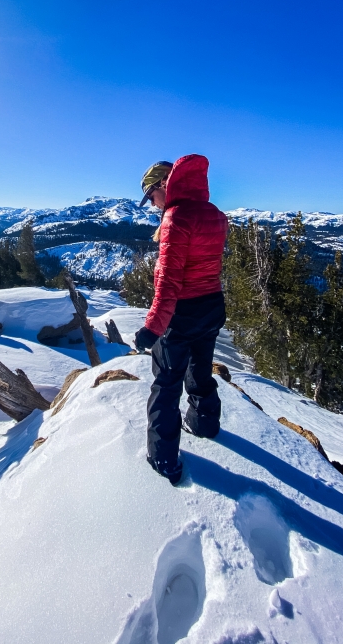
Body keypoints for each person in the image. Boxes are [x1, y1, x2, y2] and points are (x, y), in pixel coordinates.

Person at [134, 155, 228, 485]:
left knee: (166, 383)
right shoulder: (215, 214)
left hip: (182, 313)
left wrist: (151, 328)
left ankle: (163, 458)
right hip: (212, 306)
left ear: (164, 185)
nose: (152, 204)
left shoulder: (175, 219)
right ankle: (204, 423)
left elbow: (169, 283)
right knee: (200, 369)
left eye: (151, 196)